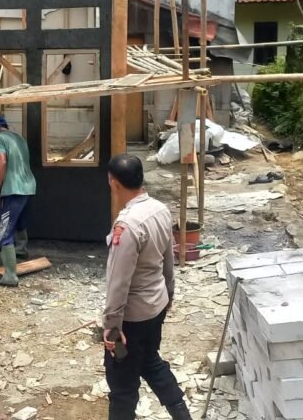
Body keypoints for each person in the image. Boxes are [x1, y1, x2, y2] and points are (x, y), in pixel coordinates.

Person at [104, 154, 191, 420]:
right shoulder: (159, 209)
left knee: (122, 382)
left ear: (113, 183)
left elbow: (119, 281)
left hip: (132, 317)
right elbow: (169, 257)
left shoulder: (127, 225)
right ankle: (182, 414)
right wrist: (169, 293)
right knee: (150, 362)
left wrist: (112, 325)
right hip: (157, 305)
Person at [0, 115, 36, 287]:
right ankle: (21, 251)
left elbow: (2, 161)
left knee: (4, 230)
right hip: (28, 186)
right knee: (19, 221)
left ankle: (10, 276)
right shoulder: (20, 139)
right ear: (6, 126)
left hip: (13, 188)